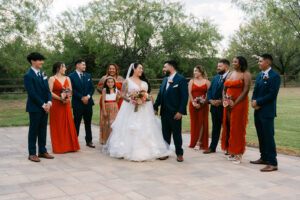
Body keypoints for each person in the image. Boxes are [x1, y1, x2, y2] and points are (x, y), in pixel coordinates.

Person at [103, 63, 171, 161]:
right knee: (131, 128)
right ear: (134, 69)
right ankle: (126, 150)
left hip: (144, 109)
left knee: (146, 128)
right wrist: (131, 100)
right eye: (140, 68)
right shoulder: (127, 81)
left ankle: (151, 150)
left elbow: (148, 95)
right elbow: (122, 94)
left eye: (142, 68)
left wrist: (147, 100)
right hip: (131, 109)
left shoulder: (144, 83)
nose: (141, 70)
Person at [154, 59, 189, 162]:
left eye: (165, 67)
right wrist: (155, 107)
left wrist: (180, 111)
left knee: (177, 134)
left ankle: (179, 153)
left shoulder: (181, 79)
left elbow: (184, 97)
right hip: (164, 112)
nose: (163, 69)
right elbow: (161, 94)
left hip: (175, 112)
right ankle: (165, 153)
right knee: (165, 134)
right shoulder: (165, 79)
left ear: (171, 67)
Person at [251, 54, 280, 172]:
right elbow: (255, 90)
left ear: (268, 63)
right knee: (261, 135)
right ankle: (264, 158)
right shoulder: (259, 75)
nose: (259, 63)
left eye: (260, 61)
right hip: (257, 111)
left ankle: (273, 163)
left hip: (267, 112)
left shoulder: (275, 76)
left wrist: (258, 102)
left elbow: (272, 95)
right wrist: (253, 101)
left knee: (268, 137)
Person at [24, 52, 54, 162]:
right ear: (33, 61)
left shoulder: (44, 74)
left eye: (42, 60)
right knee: (34, 130)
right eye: (40, 60)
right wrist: (43, 104)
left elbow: (47, 90)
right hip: (35, 107)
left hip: (45, 107)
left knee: (42, 129)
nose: (42, 62)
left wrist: (49, 103)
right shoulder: (28, 76)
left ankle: (42, 151)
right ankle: (32, 153)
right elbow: (32, 93)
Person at [221, 56, 251, 164]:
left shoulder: (245, 75)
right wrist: (224, 99)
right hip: (227, 104)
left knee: (237, 127)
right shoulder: (230, 74)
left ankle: (238, 154)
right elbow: (224, 88)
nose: (233, 63)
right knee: (229, 126)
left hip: (239, 104)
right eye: (233, 62)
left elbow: (246, 90)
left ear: (241, 63)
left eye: (235, 62)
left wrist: (235, 103)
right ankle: (231, 151)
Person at [48, 62, 80, 153]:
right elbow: (49, 92)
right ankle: (60, 147)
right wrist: (60, 98)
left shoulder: (67, 78)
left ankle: (70, 146)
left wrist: (67, 97)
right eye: (64, 67)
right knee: (58, 124)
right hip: (56, 105)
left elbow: (70, 90)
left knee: (68, 123)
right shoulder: (52, 78)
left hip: (66, 104)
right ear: (58, 68)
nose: (65, 68)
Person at [204, 59, 230, 154]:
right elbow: (209, 90)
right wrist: (210, 100)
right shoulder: (215, 78)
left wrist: (221, 101)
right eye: (218, 66)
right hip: (214, 107)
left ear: (226, 67)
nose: (217, 68)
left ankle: (228, 148)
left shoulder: (231, 77)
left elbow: (231, 93)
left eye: (220, 66)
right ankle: (212, 147)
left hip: (225, 108)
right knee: (215, 127)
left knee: (227, 128)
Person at [68, 59, 95, 148]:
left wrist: (87, 96)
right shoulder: (71, 76)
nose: (85, 66)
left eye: (85, 65)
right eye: (83, 65)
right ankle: (74, 142)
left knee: (88, 122)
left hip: (88, 103)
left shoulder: (88, 75)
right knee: (76, 122)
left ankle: (89, 141)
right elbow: (72, 90)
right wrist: (81, 97)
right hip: (77, 103)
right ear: (77, 65)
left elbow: (92, 88)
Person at [188, 65, 210, 150]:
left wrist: (203, 102)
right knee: (194, 123)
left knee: (202, 123)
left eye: (196, 71)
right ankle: (194, 141)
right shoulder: (191, 81)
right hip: (193, 105)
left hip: (203, 105)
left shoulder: (207, 82)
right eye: (194, 71)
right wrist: (193, 102)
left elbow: (209, 94)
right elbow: (189, 93)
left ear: (201, 72)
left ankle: (199, 142)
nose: (194, 72)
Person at [100, 76, 120, 145]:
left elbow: (117, 100)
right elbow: (103, 101)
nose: (110, 83)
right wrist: (104, 111)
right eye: (108, 82)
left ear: (114, 83)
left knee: (113, 124)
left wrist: (118, 97)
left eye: (112, 82)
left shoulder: (116, 90)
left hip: (114, 107)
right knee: (107, 124)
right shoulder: (105, 90)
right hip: (107, 106)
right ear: (106, 83)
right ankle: (106, 139)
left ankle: (113, 140)